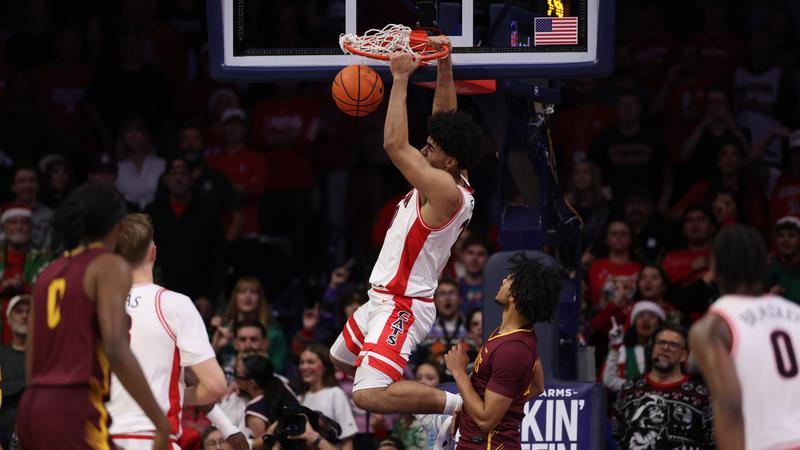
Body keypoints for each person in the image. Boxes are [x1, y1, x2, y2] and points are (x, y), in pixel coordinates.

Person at [329, 38, 482, 416]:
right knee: (341, 357)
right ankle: (402, 385)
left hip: (403, 304)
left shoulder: (444, 190)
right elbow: (446, 117)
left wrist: (399, 78)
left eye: (431, 147)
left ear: (449, 162)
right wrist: (445, 64)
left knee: (366, 396)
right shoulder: (452, 172)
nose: (424, 149)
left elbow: (395, 145)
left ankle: (463, 409)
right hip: (384, 296)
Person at [16, 182, 171, 450]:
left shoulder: (47, 273)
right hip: (73, 406)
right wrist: (159, 421)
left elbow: (31, 360)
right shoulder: (108, 265)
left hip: (32, 408)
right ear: (119, 227)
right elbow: (115, 347)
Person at [106, 213, 232, 449]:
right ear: (153, 252)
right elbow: (215, 385)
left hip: (99, 438)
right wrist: (179, 394)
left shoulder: (92, 305)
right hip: (153, 439)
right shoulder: (173, 304)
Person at [690, 225, 800, 449]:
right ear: (765, 263)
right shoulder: (795, 312)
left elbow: (729, 405)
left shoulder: (713, 326)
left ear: (714, 266)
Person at [443, 253, 560, 449]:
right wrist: (469, 410)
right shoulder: (513, 334)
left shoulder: (512, 351)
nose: (504, 280)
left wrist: (458, 372)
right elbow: (537, 386)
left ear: (515, 295)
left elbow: (486, 420)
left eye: (510, 279)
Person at [146, 156, 226, 321]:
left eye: (183, 173)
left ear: (192, 177)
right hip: (161, 296)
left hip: (199, 298)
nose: (179, 178)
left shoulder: (208, 211)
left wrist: (209, 297)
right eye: (174, 173)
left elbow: (219, 257)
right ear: (166, 179)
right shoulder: (153, 212)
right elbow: (144, 256)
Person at [614, 324, 714, 449]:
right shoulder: (629, 389)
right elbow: (618, 436)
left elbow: (716, 442)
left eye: (673, 345)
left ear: (684, 356)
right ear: (652, 349)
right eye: (661, 342)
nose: (665, 348)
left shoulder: (701, 395)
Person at [212, 277, 287, 374]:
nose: (248, 296)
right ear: (235, 297)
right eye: (243, 292)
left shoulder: (273, 334)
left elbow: (277, 370)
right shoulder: (221, 330)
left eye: (253, 292)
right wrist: (216, 347)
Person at [298, 344, 358, 450]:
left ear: (325, 366)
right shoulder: (300, 398)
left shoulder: (335, 394)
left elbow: (347, 443)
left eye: (310, 362)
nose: (304, 367)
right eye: (302, 362)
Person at [602, 300, 666, 392]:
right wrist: (615, 347)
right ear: (634, 323)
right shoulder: (622, 350)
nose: (646, 320)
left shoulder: (666, 350)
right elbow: (609, 382)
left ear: (659, 324)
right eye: (641, 316)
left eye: (652, 316)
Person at [0, 295, 30, 439]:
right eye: (19, 311)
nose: (25, 316)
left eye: (29, 312)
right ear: (9, 319)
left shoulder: (45, 356)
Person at [769, 216, 800, 303]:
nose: (785, 240)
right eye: (781, 235)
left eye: (792, 235)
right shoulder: (769, 267)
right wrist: (769, 297)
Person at [457, 237, 490, 314]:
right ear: (462, 256)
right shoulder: (454, 286)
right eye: (470, 253)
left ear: (488, 258)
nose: (474, 258)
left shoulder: (494, 288)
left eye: (480, 254)